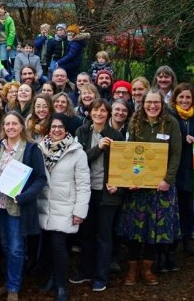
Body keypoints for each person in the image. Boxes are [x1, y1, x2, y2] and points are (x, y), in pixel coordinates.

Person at [118, 89, 181, 286]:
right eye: (148, 102)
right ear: (143, 103)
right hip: (138, 186)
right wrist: (132, 180)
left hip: (161, 187)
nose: (152, 106)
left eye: (156, 102)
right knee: (135, 229)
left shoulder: (171, 123)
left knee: (155, 230)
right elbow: (130, 154)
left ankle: (147, 269)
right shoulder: (135, 122)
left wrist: (167, 180)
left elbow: (176, 154)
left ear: (162, 104)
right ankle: (132, 268)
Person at [0, 111, 47, 301]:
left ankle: (13, 287)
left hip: (17, 207)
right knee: (5, 245)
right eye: (7, 124)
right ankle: (9, 280)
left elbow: (40, 179)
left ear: (22, 126)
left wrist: (25, 196)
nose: (10, 127)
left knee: (15, 248)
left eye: (14, 124)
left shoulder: (31, 149)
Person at [69, 99, 123, 291]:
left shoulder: (116, 135)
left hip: (107, 193)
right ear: (90, 113)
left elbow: (123, 166)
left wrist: (119, 186)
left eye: (103, 111)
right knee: (86, 234)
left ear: (108, 115)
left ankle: (101, 276)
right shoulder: (82, 132)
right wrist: (98, 147)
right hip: (85, 191)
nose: (99, 114)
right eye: (96, 110)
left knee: (104, 235)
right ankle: (85, 271)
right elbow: (79, 159)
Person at [37, 113, 90, 301]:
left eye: (60, 127)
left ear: (66, 129)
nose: (56, 130)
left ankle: (61, 285)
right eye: (53, 127)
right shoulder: (40, 149)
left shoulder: (77, 152)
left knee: (59, 245)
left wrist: (80, 211)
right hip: (44, 206)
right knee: (47, 246)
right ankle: (51, 277)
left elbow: (84, 184)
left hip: (66, 206)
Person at [168, 83, 194, 263]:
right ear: (175, 98)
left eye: (188, 97)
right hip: (174, 168)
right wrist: (181, 139)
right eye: (181, 97)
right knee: (173, 208)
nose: (184, 100)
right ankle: (171, 243)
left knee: (187, 207)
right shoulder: (169, 117)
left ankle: (186, 239)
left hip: (192, 168)